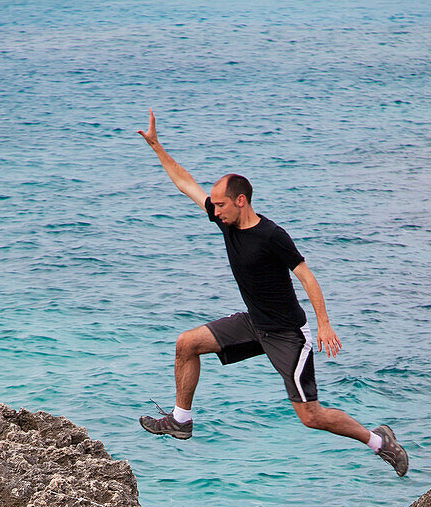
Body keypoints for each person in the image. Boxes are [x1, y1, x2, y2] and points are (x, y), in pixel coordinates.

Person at [136, 109, 408, 476]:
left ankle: (379, 441)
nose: (214, 211)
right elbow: (187, 184)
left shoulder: (272, 236)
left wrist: (324, 324)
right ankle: (181, 421)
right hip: (254, 324)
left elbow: (307, 277)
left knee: (310, 416)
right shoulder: (226, 223)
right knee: (187, 343)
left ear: (240, 201)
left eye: (220, 205)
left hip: (286, 334)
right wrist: (157, 148)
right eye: (213, 206)